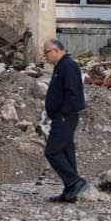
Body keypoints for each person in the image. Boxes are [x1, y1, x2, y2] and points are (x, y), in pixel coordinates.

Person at [43, 38, 87, 203]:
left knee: (52, 151)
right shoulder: (60, 66)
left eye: (47, 52)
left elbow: (72, 93)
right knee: (66, 152)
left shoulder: (68, 65)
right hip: (61, 116)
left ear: (56, 50)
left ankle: (75, 182)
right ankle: (70, 191)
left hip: (65, 116)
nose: (46, 56)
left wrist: (63, 114)